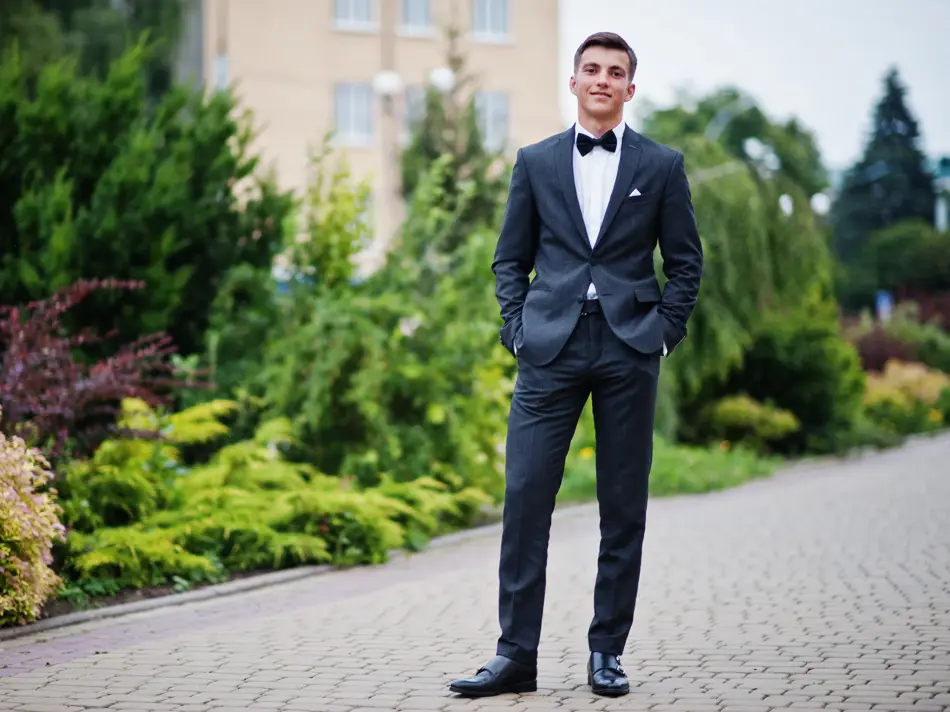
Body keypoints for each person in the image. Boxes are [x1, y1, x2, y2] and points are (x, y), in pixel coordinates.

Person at [449, 31, 704, 698]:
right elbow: (509, 258)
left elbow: (685, 264)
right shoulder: (535, 162)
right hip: (549, 348)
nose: (601, 80)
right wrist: (516, 329)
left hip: (628, 346)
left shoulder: (662, 165)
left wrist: (661, 335)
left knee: (623, 505)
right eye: (591, 69)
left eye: (614, 72)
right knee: (526, 497)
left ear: (629, 88)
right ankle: (515, 656)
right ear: (574, 81)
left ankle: (606, 653)